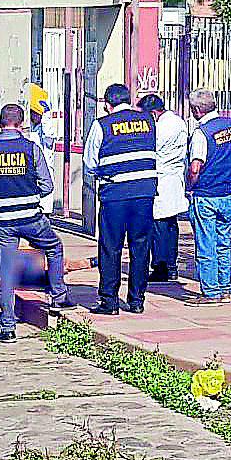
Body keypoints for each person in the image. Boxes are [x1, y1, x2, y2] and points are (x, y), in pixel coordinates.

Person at [0, 103, 72, 343]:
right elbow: (48, 185)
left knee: (7, 269)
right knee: (53, 247)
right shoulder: (31, 148)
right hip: (31, 217)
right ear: (21, 123)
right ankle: (58, 295)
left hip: (1, 220)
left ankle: (8, 325)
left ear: (0, 122)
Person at [82, 83, 157, 316]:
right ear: (129, 99)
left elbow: (90, 162)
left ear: (107, 104)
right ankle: (137, 300)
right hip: (144, 192)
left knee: (111, 246)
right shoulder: (148, 121)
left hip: (115, 194)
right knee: (141, 246)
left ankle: (109, 301)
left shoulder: (101, 124)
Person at [186, 89, 231, 306]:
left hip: (205, 195)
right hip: (226, 193)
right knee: (223, 242)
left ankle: (210, 292)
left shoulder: (201, 133)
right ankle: (224, 289)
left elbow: (195, 167)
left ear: (196, 110)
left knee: (205, 244)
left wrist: (191, 187)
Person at [138, 94, 189, 282]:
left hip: (162, 178)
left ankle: (161, 267)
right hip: (173, 179)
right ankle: (171, 265)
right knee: (170, 226)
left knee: (159, 226)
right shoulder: (178, 121)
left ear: (153, 113)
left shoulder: (162, 127)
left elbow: (151, 148)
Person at [26, 84, 59, 214]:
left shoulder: (46, 129)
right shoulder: (30, 128)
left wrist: (46, 115)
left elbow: (50, 134)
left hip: (43, 174)